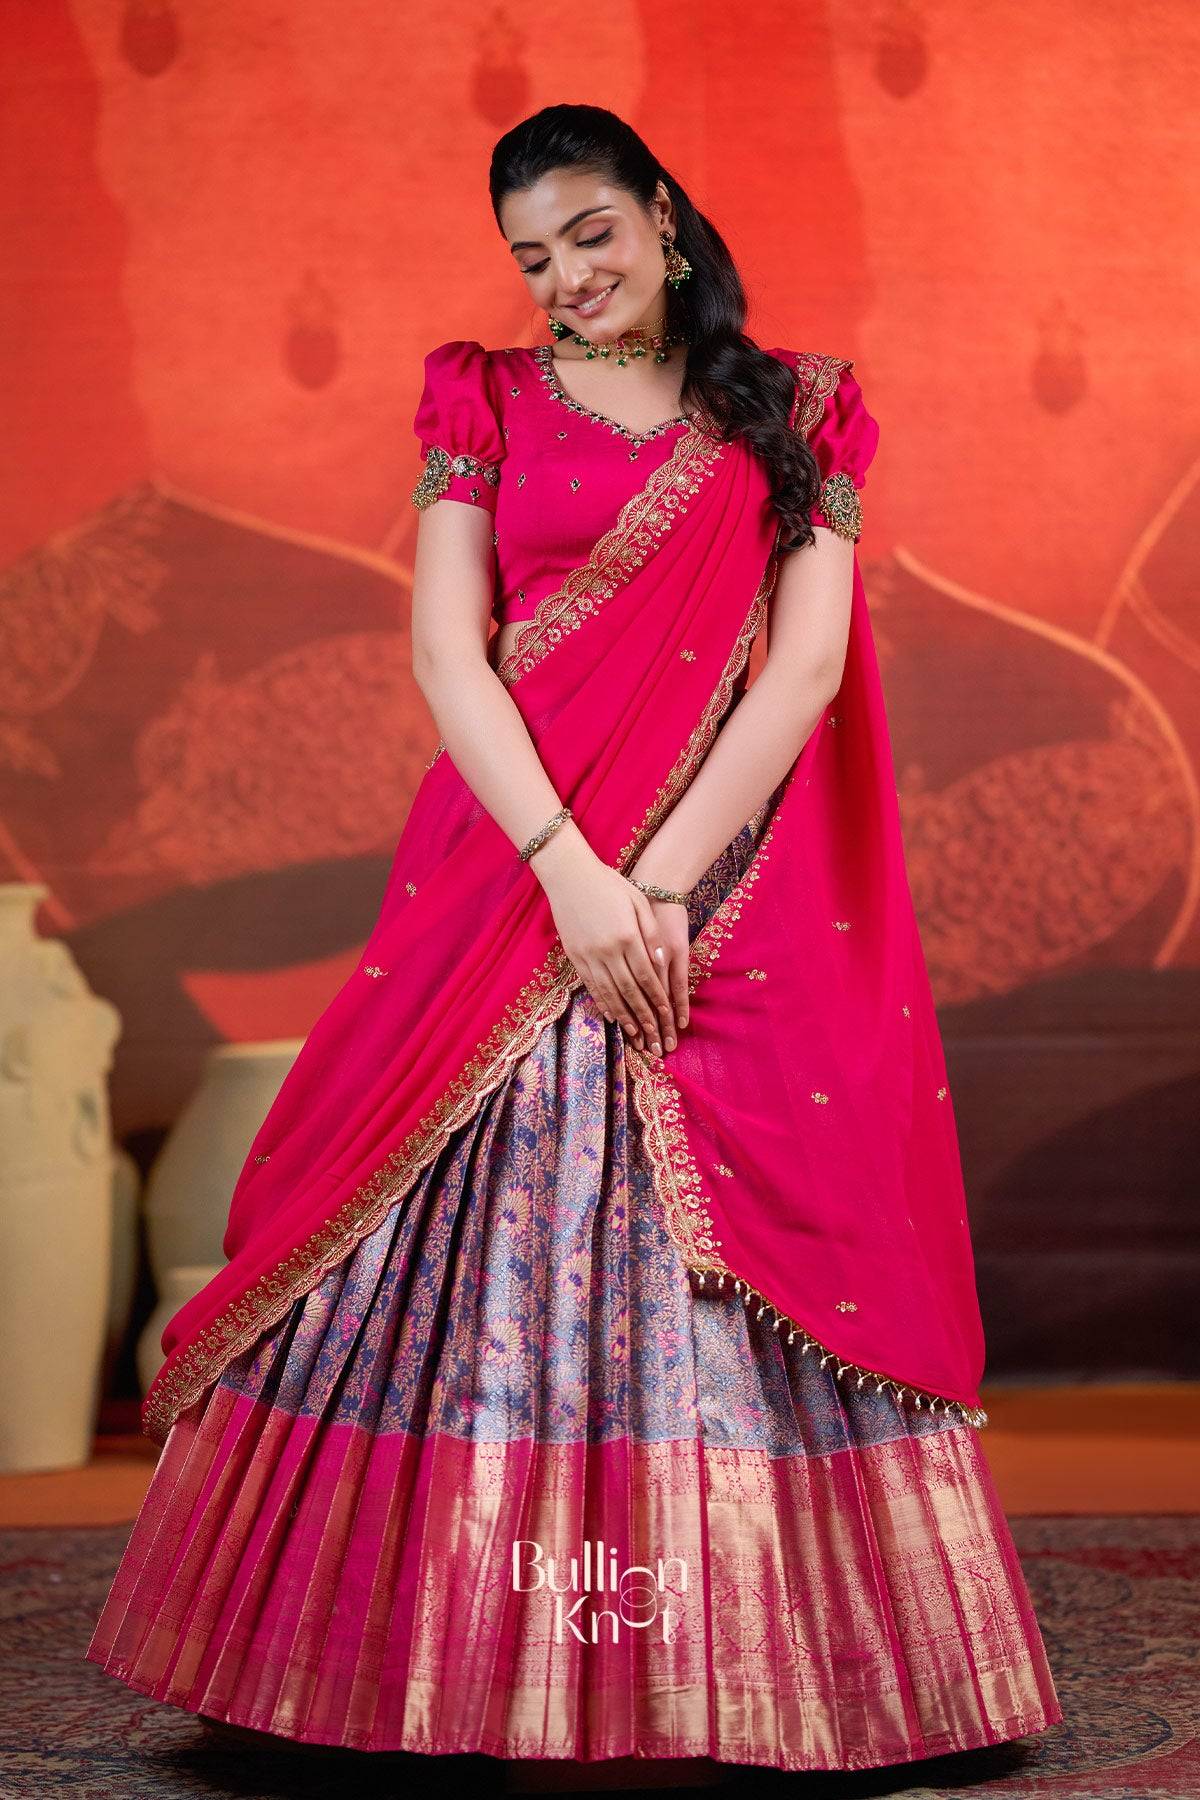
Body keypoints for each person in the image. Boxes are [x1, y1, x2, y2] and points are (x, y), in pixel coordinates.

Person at [85, 103, 1063, 1778]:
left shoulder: (801, 407)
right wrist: (568, 872)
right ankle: (420, 1665)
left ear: (666, 217)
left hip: (722, 885)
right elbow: (452, 657)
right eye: (533, 254)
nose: (566, 277)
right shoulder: (481, 394)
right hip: (509, 871)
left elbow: (805, 669)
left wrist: (657, 888)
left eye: (592, 234)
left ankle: (736, 1670)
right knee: (438, 1201)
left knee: (757, 1217)